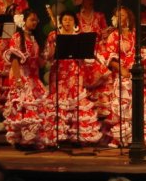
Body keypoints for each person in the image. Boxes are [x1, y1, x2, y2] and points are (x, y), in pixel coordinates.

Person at [42, 10, 103, 144]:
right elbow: (48, 55)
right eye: (65, 20)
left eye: (70, 20)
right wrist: (54, 45)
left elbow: (86, 55)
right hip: (58, 72)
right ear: (60, 22)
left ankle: (75, 136)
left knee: (75, 100)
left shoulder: (78, 36)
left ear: (74, 22)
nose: (67, 22)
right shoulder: (54, 35)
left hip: (75, 71)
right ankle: (58, 135)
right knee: (59, 100)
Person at [101, 6, 146, 148]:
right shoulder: (113, 36)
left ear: (128, 17)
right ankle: (124, 137)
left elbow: (143, 52)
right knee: (124, 107)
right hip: (122, 75)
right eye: (117, 15)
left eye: (123, 15)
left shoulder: (135, 34)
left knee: (138, 105)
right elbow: (110, 58)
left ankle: (139, 137)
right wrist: (122, 70)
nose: (120, 18)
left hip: (136, 74)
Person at [2, 8, 56, 149]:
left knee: (37, 109)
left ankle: (32, 139)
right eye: (32, 20)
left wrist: (48, 53)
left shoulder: (35, 38)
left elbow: (40, 62)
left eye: (36, 20)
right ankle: (21, 140)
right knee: (23, 109)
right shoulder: (17, 37)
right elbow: (14, 60)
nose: (35, 23)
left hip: (33, 77)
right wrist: (18, 80)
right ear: (24, 20)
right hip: (21, 76)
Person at [75, 0, 112, 117]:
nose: (89, 1)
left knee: (101, 77)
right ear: (82, 0)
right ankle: (85, 111)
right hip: (81, 51)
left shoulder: (99, 16)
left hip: (97, 51)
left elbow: (104, 33)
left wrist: (108, 33)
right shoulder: (76, 17)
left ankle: (99, 111)